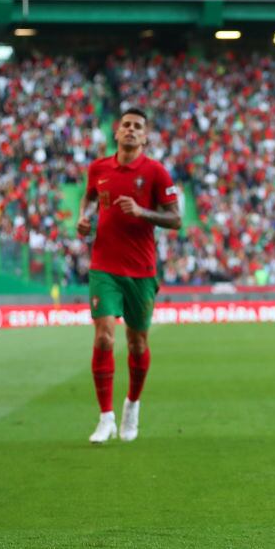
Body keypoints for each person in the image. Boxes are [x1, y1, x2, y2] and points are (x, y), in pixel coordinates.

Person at [76, 108, 181, 444]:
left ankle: (132, 405)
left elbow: (176, 219)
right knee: (104, 336)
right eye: (126, 125)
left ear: (145, 136)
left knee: (137, 344)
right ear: (116, 132)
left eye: (138, 127)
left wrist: (141, 212)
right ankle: (105, 417)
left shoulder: (156, 172)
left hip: (141, 270)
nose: (131, 130)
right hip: (104, 265)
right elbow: (90, 197)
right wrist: (83, 218)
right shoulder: (99, 168)